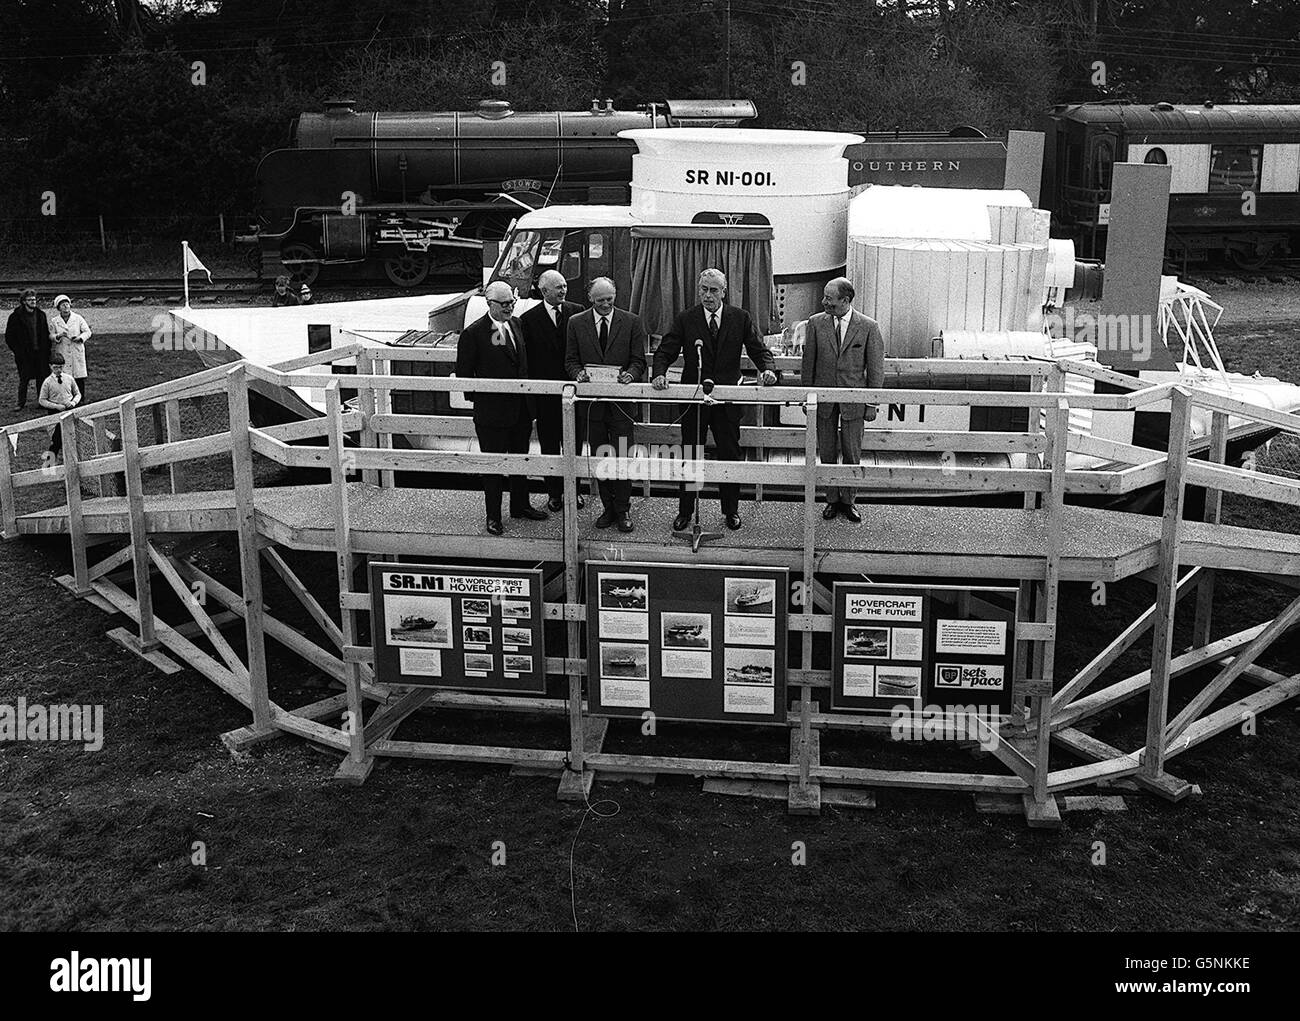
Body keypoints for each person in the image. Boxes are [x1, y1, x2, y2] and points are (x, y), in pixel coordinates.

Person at [651, 268, 777, 532]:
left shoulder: (739, 318)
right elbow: (666, 351)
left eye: (714, 290)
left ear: (724, 292)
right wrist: (660, 373)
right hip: (695, 398)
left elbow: (758, 349)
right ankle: (685, 511)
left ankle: (730, 510)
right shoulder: (687, 318)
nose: (708, 295)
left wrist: (767, 369)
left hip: (727, 400)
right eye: (704, 290)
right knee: (690, 455)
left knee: (729, 454)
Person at [455, 280, 548, 535]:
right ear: (489, 303)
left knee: (520, 461)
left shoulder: (516, 324)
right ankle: (493, 516)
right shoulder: (473, 334)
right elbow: (465, 376)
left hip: (521, 411)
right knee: (494, 468)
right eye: (504, 304)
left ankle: (520, 505)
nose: (509, 308)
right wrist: (488, 402)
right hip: (492, 415)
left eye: (512, 303)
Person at [565, 276, 647, 532]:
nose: (605, 304)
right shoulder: (576, 323)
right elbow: (570, 360)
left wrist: (630, 374)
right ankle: (607, 508)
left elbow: (639, 361)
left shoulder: (631, 321)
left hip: (621, 405)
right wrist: (578, 374)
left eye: (609, 300)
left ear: (615, 296)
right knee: (602, 458)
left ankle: (623, 510)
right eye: (600, 300)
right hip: (593, 406)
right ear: (590, 298)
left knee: (622, 457)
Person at [801, 277, 885, 523]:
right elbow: (809, 366)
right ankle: (831, 500)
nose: (823, 301)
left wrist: (871, 403)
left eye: (829, 298)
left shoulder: (869, 327)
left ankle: (849, 501)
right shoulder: (816, 323)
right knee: (826, 452)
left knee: (852, 452)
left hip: (854, 401)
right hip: (824, 401)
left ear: (845, 300)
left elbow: (876, 369)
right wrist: (808, 398)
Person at [518, 269, 584, 511]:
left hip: (573, 393)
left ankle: (573, 492)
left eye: (565, 285)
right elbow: (527, 361)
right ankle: (554, 493)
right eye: (558, 287)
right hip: (546, 396)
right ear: (544, 291)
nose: (563, 290)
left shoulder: (577, 312)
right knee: (549, 446)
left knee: (574, 446)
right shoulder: (528, 319)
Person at [5, 288, 51, 410]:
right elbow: (9, 337)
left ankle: (42, 402)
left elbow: (45, 334)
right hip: (24, 355)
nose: (33, 301)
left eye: (34, 299)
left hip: (40, 353)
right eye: (30, 299)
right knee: (24, 379)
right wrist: (18, 351)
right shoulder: (15, 317)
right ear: (24, 301)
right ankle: (20, 403)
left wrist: (46, 351)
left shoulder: (41, 315)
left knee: (41, 378)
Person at [48, 294, 91, 406]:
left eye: (67, 304)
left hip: (76, 350)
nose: (66, 307)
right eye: (63, 305)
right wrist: (59, 335)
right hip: (62, 349)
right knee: (65, 375)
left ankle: (81, 397)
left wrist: (80, 338)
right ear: (58, 308)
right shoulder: (54, 321)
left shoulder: (78, 318)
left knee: (78, 375)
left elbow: (87, 332)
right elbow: (51, 336)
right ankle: (67, 397)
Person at [38, 352, 80, 457]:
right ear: (50, 366)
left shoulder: (69, 378)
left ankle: (74, 462)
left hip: (70, 410)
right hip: (55, 413)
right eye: (55, 367)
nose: (58, 370)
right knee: (56, 442)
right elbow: (42, 400)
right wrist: (56, 406)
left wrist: (73, 402)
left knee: (73, 438)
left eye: (60, 367)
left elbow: (78, 394)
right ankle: (48, 467)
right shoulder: (47, 382)